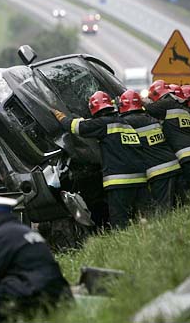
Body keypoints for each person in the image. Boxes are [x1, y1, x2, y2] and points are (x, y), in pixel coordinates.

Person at [53, 91, 149, 229]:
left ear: (94, 109)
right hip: (140, 179)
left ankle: (123, 243)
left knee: (120, 221)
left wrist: (61, 117)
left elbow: (76, 127)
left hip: (120, 181)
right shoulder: (124, 123)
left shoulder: (103, 124)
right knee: (142, 217)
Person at [144, 80, 190, 204]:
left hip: (187, 153)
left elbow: (148, 108)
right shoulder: (183, 108)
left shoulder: (166, 104)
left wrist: (138, 101)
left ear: (157, 94)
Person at [118, 89, 181, 210]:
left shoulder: (127, 122)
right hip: (173, 164)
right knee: (179, 203)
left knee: (163, 208)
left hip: (159, 170)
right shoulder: (150, 118)